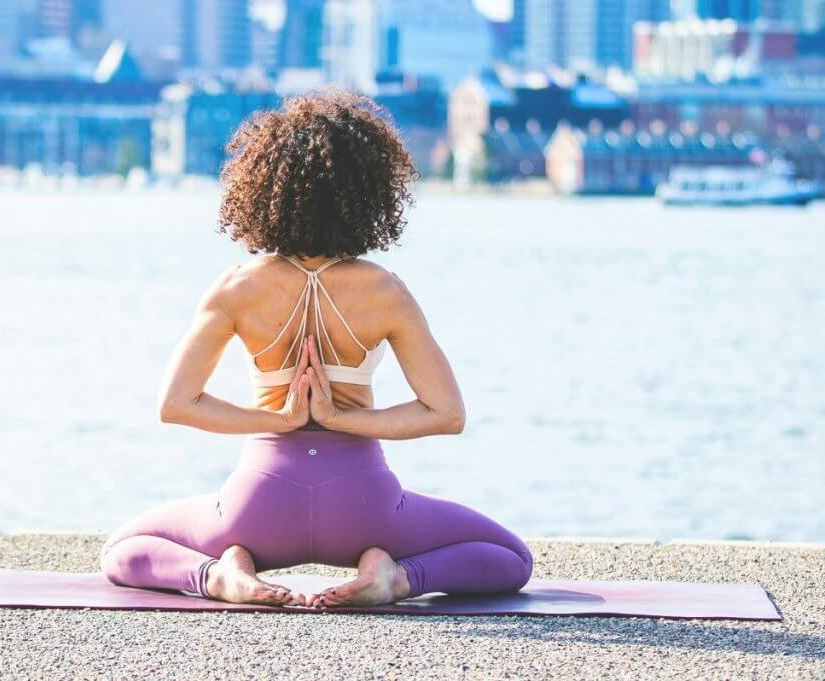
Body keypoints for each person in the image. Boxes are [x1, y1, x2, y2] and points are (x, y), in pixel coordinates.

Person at [100, 92, 532, 608]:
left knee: (122, 549)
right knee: (510, 556)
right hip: (366, 505)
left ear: (261, 189)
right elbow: (446, 413)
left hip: (258, 503)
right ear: (369, 192)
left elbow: (176, 404)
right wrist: (340, 419)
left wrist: (279, 421)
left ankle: (220, 576)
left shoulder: (237, 288)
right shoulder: (384, 291)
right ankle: (395, 578)